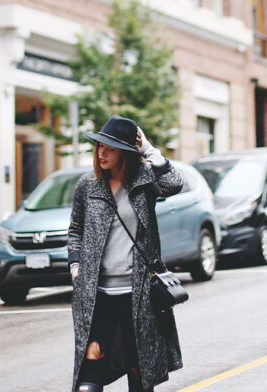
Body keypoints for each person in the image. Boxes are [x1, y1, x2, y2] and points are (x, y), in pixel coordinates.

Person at [68, 115, 183, 392]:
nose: (102, 153)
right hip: (97, 297)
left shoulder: (145, 182)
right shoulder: (88, 185)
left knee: (139, 371)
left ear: (127, 153)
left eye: (110, 148)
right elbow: (75, 230)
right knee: (90, 366)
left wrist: (149, 149)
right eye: (99, 147)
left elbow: (174, 183)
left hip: (139, 295)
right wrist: (76, 267)